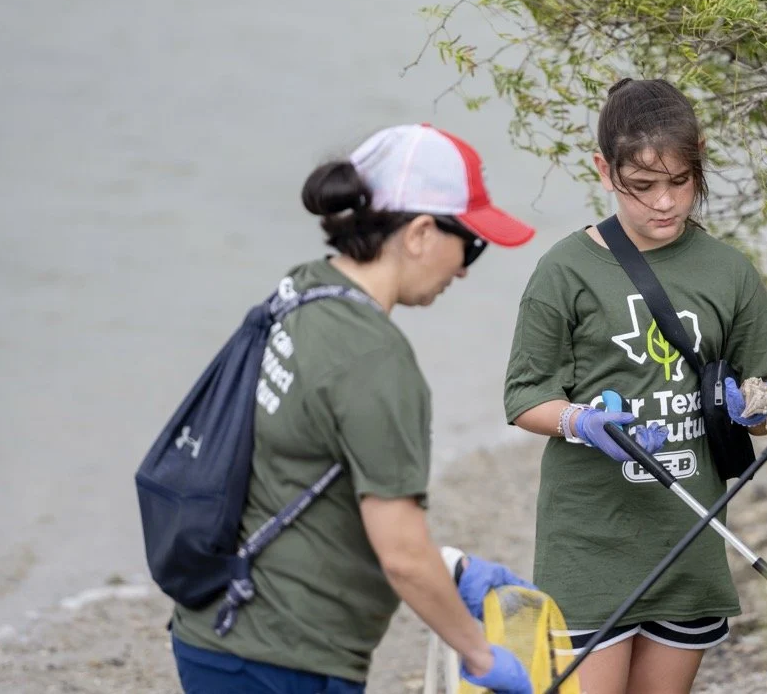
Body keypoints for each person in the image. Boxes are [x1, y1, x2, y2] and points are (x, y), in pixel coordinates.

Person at [170, 123, 538, 694]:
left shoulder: (300, 292)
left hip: (212, 630)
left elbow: (306, 474)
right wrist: (480, 655)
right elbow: (401, 555)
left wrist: (451, 568)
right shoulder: (376, 360)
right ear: (419, 233)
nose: (465, 267)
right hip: (283, 660)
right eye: (471, 243)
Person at [503, 78, 767, 694]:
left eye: (680, 181)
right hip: (589, 546)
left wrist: (760, 405)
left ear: (700, 162)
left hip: (689, 536)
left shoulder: (728, 271)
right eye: (642, 187)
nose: (664, 202)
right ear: (603, 171)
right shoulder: (566, 270)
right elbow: (525, 395)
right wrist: (581, 421)